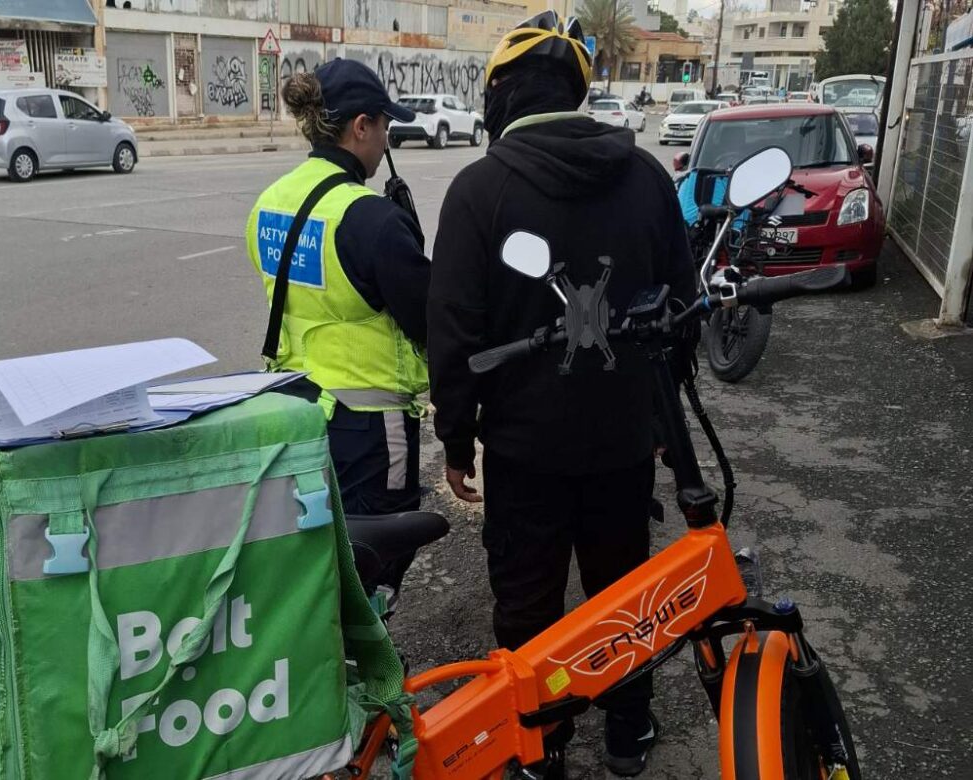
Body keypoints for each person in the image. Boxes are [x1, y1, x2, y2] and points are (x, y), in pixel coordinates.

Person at [427, 10, 696, 778]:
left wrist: (455, 437)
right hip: (624, 443)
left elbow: (452, 330)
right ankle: (628, 733)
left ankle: (538, 747)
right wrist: (658, 417)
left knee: (527, 601)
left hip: (522, 447)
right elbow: (682, 308)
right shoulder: (646, 176)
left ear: (500, 97)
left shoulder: (479, 191)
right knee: (623, 592)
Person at [246, 59, 430, 519]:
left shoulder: (268, 201)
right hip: (366, 429)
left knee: (311, 550)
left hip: (292, 411)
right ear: (362, 127)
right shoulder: (374, 220)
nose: (387, 139)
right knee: (376, 556)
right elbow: (431, 318)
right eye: (385, 125)